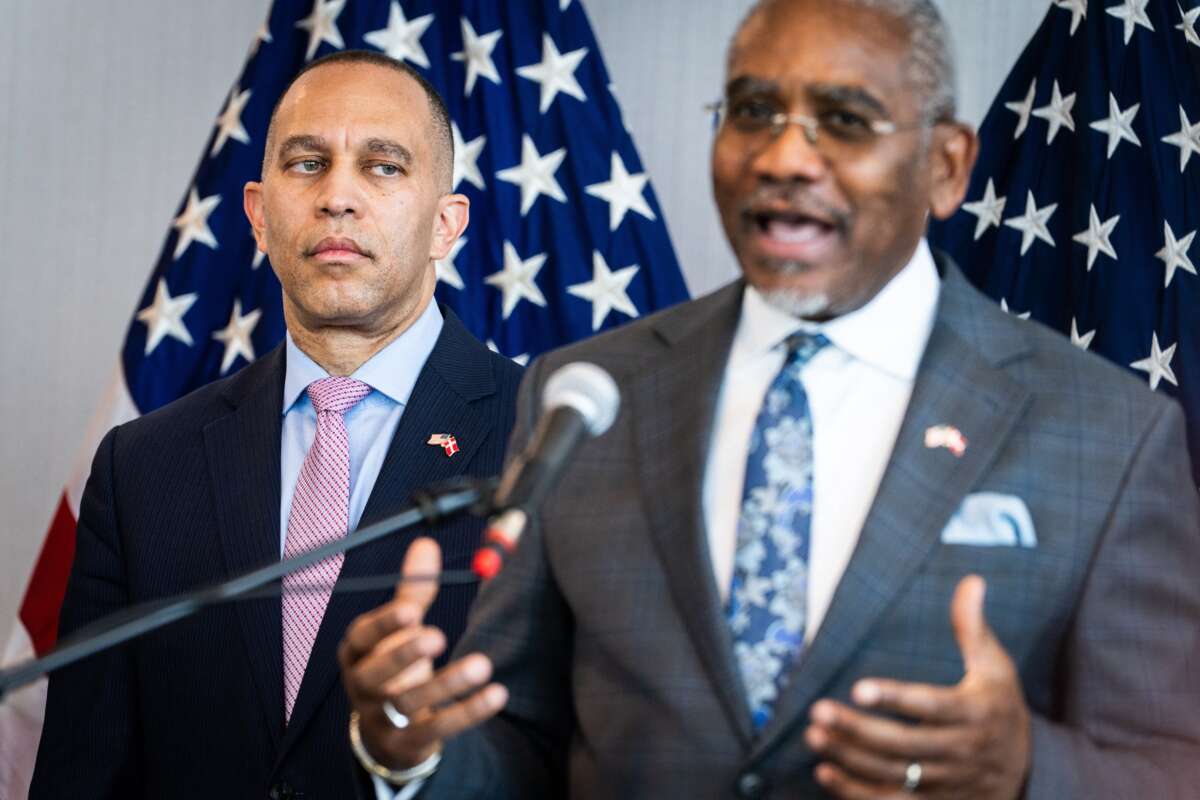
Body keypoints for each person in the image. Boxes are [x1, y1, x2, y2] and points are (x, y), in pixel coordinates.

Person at [339, 1, 1200, 798]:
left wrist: (1025, 769)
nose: (785, 157)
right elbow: (522, 744)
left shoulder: (1110, 434)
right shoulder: (590, 394)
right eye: (753, 112)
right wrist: (410, 748)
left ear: (945, 166)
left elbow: (1170, 766)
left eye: (845, 121)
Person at [30, 51, 523, 800]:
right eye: (307, 163)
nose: (338, 197)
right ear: (259, 216)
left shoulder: (545, 444)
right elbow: (83, 773)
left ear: (445, 225)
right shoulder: (142, 466)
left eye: (383, 167)